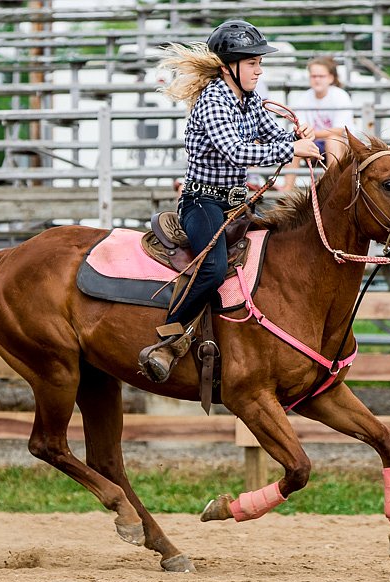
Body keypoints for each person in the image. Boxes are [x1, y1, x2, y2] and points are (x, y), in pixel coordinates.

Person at [139, 19, 321, 383]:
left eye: (259, 62)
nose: (259, 68)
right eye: (252, 62)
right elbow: (237, 152)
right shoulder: (212, 103)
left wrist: (299, 138)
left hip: (236, 206)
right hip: (202, 204)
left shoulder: (249, 100)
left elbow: (271, 133)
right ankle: (167, 338)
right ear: (228, 67)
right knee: (212, 267)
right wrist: (293, 147)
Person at [281, 56, 354, 190]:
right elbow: (300, 129)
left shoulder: (340, 96)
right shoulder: (304, 98)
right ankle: (287, 188)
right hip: (315, 143)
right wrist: (307, 136)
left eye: (321, 76)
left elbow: (339, 130)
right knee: (296, 144)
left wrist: (312, 133)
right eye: (313, 76)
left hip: (338, 145)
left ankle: (331, 184)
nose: (317, 79)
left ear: (331, 78)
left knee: (333, 140)